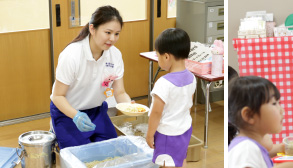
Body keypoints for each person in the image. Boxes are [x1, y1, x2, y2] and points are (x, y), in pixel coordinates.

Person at [49, 5, 133, 149]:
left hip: (97, 111)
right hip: (69, 113)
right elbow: (57, 96)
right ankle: (56, 130)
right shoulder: (72, 55)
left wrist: (130, 107)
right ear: (92, 29)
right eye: (108, 32)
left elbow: (119, 92)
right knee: (81, 157)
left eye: (117, 34)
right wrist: (76, 116)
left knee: (112, 150)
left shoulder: (115, 55)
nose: (112, 39)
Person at [145, 28, 196, 167]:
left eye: (158, 56)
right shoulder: (192, 77)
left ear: (166, 57)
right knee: (180, 160)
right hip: (184, 129)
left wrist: (149, 135)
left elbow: (156, 113)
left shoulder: (164, 83)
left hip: (167, 134)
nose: (158, 60)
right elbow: (188, 105)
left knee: (167, 163)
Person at [227, 76, 293, 168]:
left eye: (279, 103)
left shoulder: (253, 146)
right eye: (274, 103)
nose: (281, 110)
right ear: (249, 115)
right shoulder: (246, 148)